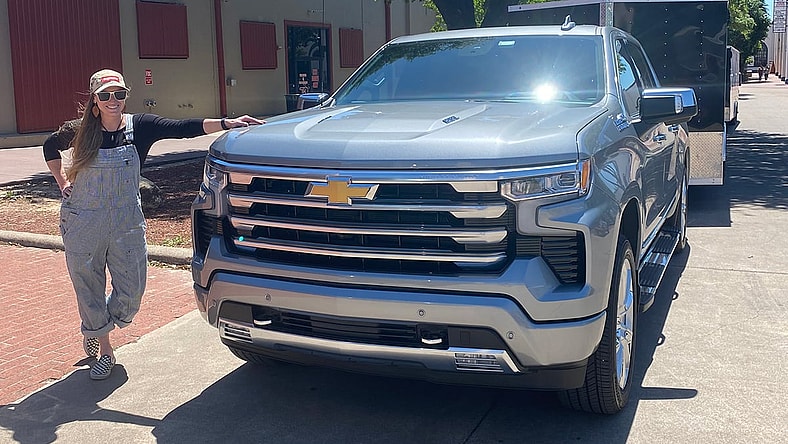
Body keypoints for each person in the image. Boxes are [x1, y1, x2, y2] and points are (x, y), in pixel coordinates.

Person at [43, 68, 264, 380]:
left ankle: (99, 324)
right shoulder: (80, 131)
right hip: (83, 219)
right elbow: (50, 145)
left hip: (125, 221)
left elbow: (184, 127)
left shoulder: (139, 127)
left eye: (118, 94)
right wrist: (62, 181)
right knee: (87, 284)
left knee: (132, 290)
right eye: (105, 95)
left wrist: (228, 123)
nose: (113, 100)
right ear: (94, 100)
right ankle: (103, 345)